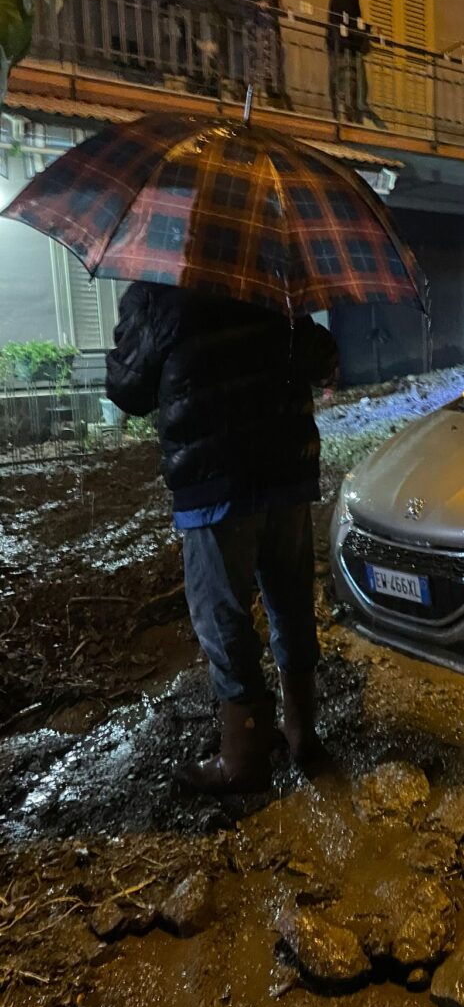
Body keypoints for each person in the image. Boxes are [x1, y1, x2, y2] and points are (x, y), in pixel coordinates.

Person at [105, 284, 338, 794]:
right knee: (292, 604)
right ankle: (302, 734)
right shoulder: (270, 282)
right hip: (285, 472)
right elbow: (323, 359)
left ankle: (244, 757)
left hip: (216, 482)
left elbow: (127, 387)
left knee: (221, 615)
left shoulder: (159, 294)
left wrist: (131, 331)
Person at [229, 0, 292, 109]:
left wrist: (285, 10)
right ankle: (246, 106)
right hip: (252, 30)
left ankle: (269, 104)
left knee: (271, 70)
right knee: (251, 70)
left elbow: (278, 4)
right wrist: (256, 4)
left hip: (270, 33)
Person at [327, 0, 386, 128]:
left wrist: (367, 29)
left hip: (344, 47)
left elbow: (351, 21)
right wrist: (369, 30)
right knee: (350, 86)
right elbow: (350, 22)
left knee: (351, 87)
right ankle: (353, 121)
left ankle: (355, 119)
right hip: (346, 49)